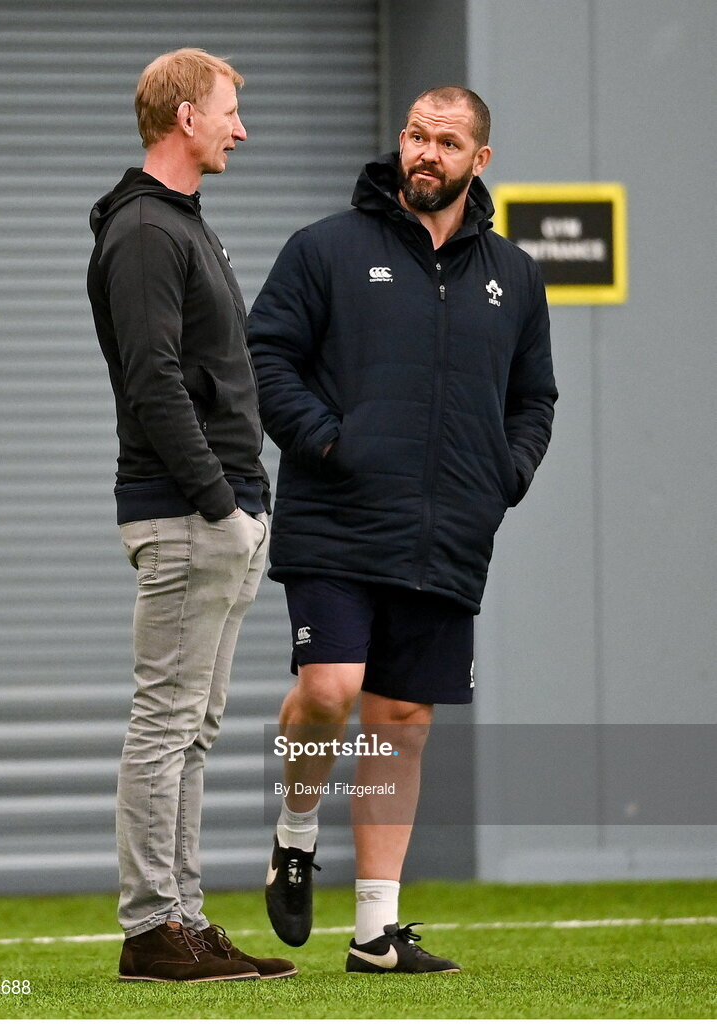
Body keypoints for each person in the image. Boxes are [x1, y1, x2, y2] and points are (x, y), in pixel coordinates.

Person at [248, 85, 557, 974]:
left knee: (402, 718)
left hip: (449, 530)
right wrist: (323, 439)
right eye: (417, 135)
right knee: (332, 686)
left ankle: (375, 933)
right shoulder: (325, 250)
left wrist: (509, 473)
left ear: (479, 161)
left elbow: (534, 398)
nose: (426, 152)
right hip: (337, 515)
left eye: (447, 141)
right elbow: (267, 354)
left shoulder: (516, 277)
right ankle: (295, 836)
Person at [87, 47, 295, 983]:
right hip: (186, 514)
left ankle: (186, 919)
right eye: (228, 113)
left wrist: (245, 503)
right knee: (167, 725)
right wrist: (220, 501)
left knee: (194, 731)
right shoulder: (142, 229)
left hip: (222, 513)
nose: (239, 129)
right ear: (184, 119)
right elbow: (154, 379)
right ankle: (150, 930)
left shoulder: (181, 223)